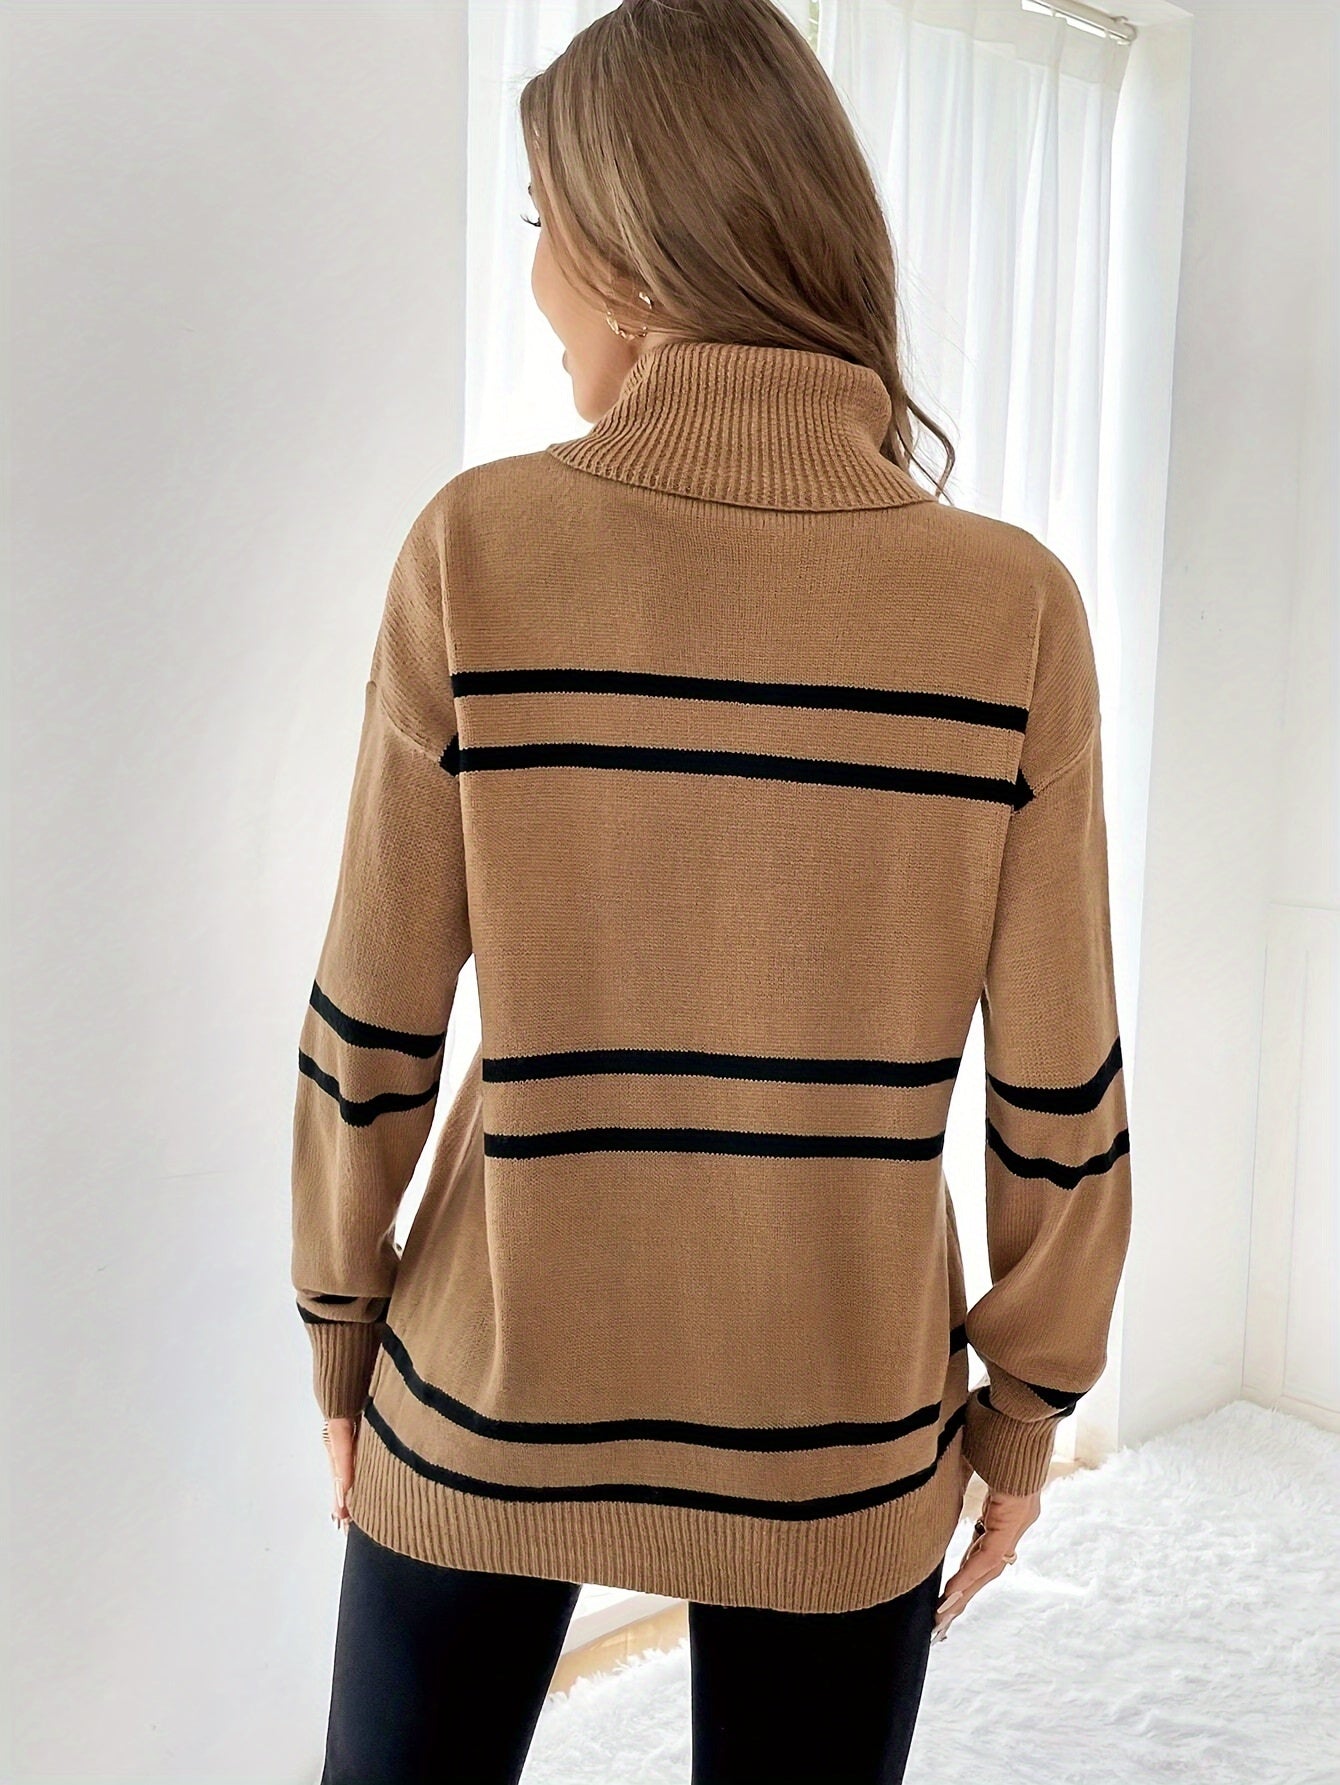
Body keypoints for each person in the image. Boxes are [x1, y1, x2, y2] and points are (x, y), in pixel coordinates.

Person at [291, 2, 1133, 1780]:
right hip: (841, 1431)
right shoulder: (1015, 610)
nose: (538, 284)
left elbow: (372, 1018)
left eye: (545, 227)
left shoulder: (475, 551)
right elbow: (1061, 1082)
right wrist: (1026, 1406)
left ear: (635, 250)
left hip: (484, 1396)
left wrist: (337, 1316)